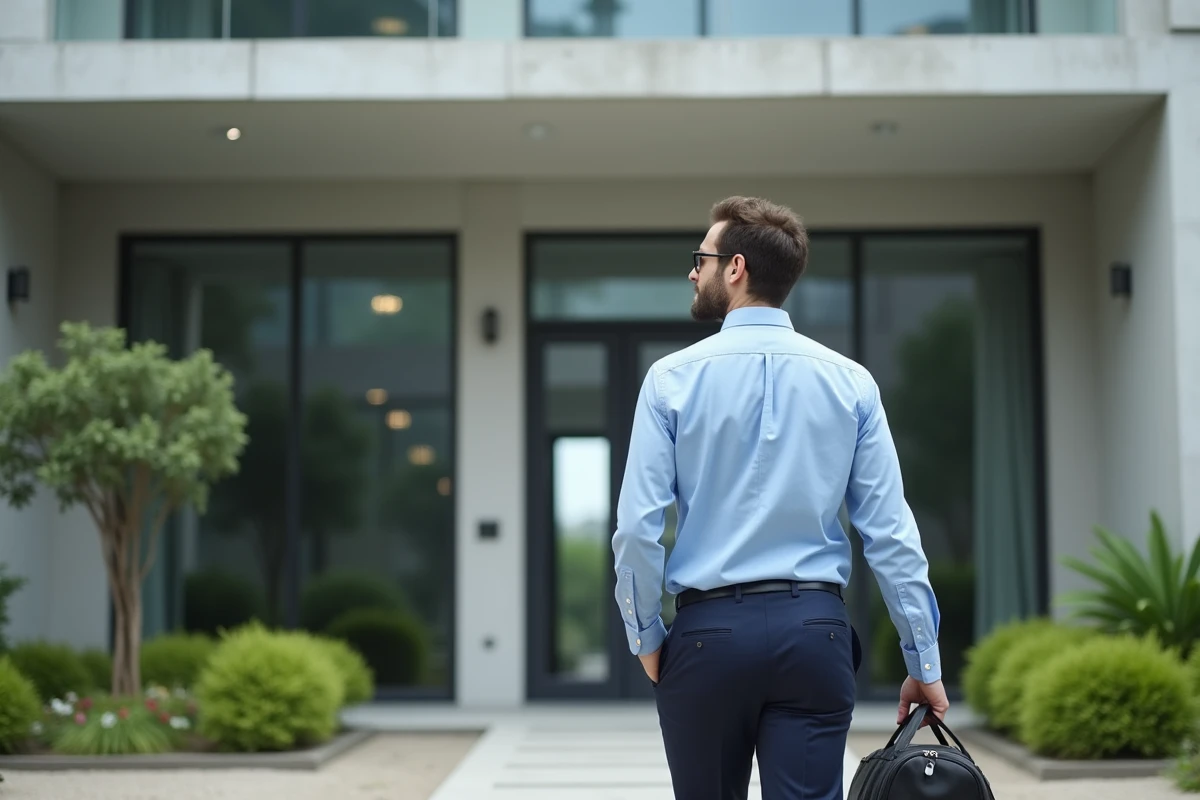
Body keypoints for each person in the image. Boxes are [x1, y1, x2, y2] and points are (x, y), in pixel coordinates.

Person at [611, 196, 949, 800]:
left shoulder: (669, 380)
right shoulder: (852, 383)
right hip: (813, 634)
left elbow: (638, 529)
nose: (694, 271)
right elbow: (892, 534)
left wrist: (646, 637)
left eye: (702, 258)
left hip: (706, 636)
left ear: (735, 268)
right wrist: (923, 662)